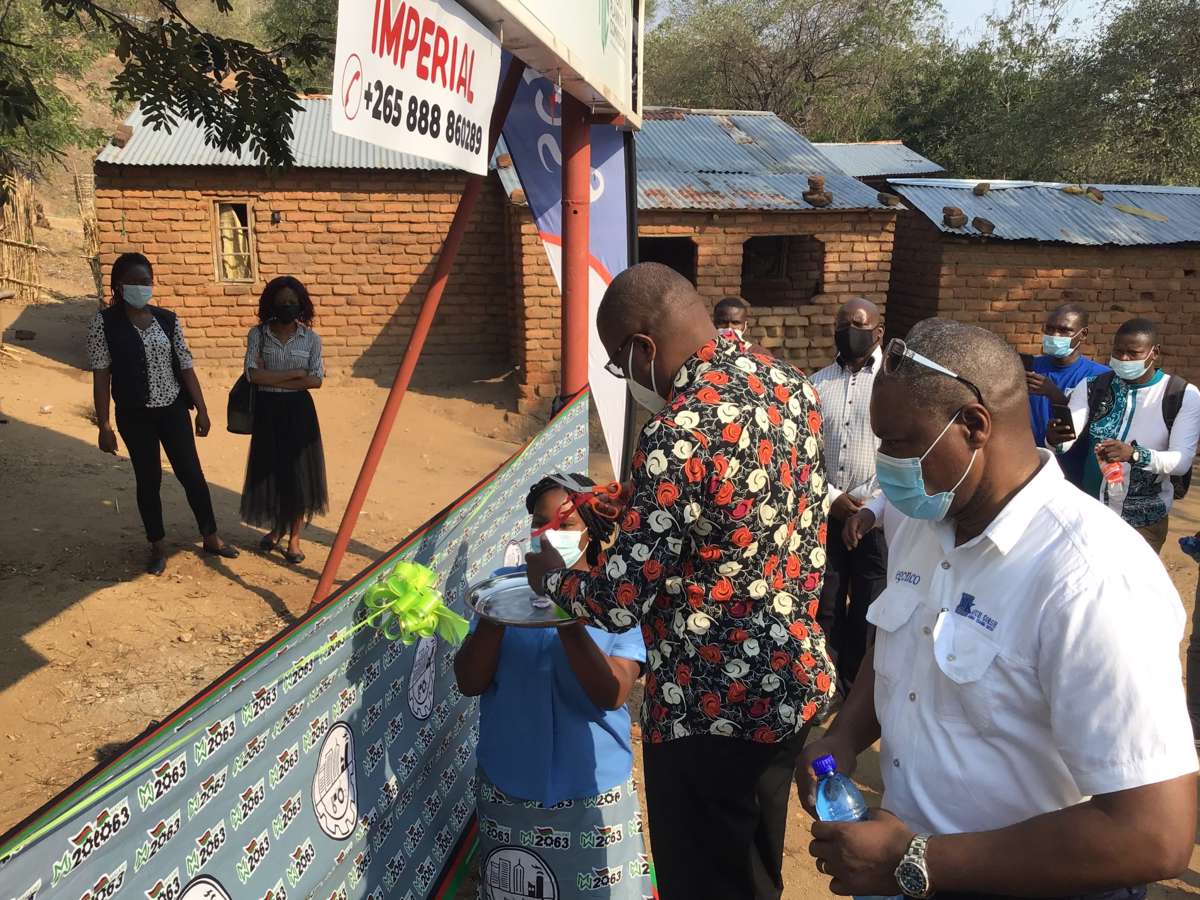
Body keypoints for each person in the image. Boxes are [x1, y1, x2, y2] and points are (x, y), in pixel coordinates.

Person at [800, 318, 1195, 900]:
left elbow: (1153, 835)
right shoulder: (919, 516)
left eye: (900, 443)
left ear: (974, 425)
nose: (886, 463)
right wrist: (844, 737)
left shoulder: (1092, 576)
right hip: (898, 869)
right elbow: (900, 650)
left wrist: (917, 860)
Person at [525, 262, 836, 900]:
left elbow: (616, 603)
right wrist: (640, 505)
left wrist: (555, 580)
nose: (628, 378)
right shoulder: (790, 385)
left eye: (619, 363)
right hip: (787, 682)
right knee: (753, 868)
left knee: (702, 880)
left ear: (642, 348)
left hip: (708, 704)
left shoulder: (678, 432)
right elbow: (738, 513)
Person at [454, 474, 650, 900]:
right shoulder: (503, 587)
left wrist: (564, 604)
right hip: (509, 790)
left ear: (592, 530)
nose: (547, 535)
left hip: (591, 795)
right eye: (539, 524)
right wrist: (499, 611)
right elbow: (469, 680)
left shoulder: (617, 599)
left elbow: (612, 692)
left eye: (564, 525)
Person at [88, 252, 238, 575]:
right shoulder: (105, 323)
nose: (141, 287)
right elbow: (101, 375)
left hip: (173, 410)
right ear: (118, 285)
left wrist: (202, 409)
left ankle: (211, 536)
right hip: (134, 415)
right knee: (148, 479)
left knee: (191, 474)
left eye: (146, 281)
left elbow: (185, 366)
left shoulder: (167, 320)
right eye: (134, 281)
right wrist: (104, 424)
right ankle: (157, 545)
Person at [1046, 317, 1200, 553]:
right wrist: (1055, 439)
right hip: (1091, 514)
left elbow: (1181, 462)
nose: (1124, 359)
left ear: (1154, 352)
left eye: (1133, 353)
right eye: (1118, 352)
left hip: (1144, 523)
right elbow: (1066, 441)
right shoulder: (1092, 387)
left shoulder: (1181, 395)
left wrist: (1134, 454)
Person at [809, 297, 887, 691]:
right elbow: (802, 453)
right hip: (828, 513)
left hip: (878, 517)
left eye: (857, 324)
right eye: (842, 324)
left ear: (878, 332)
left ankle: (859, 690)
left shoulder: (893, 383)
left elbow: (904, 451)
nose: (848, 332)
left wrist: (871, 508)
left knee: (870, 610)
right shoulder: (815, 385)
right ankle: (826, 687)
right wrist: (832, 498)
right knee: (826, 604)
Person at [240, 276, 329, 565]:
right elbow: (253, 374)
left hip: (298, 412)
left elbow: (315, 380)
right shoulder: (258, 335)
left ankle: (294, 538)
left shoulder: (311, 339)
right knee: (273, 472)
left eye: (292, 302)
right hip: (267, 411)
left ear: (301, 305)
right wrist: (295, 374)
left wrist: (274, 377)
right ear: (270, 304)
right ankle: (277, 529)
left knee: (298, 475)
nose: (287, 306)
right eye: (281, 302)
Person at [1024, 303, 1108, 488]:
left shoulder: (1100, 377)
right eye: (1050, 329)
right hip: (1030, 466)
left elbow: (1098, 425)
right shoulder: (1030, 367)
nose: (1055, 335)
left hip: (1073, 470)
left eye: (1064, 330)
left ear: (1083, 334)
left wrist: (1054, 394)